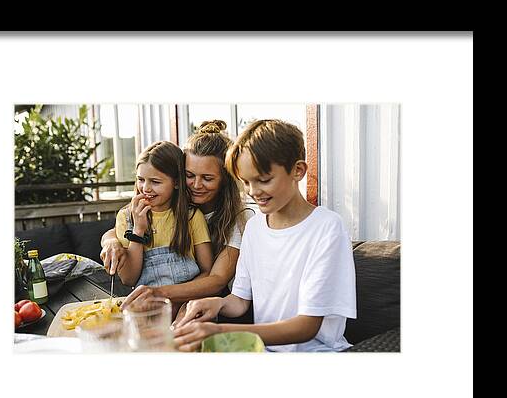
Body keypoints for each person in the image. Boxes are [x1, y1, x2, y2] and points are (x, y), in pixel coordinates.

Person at [173, 119, 357, 352]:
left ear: (297, 171)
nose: (253, 191)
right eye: (246, 182)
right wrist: (216, 304)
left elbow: (306, 327)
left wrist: (218, 331)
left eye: (263, 180)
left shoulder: (327, 228)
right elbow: (239, 302)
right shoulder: (254, 228)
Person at [100, 120, 253, 310]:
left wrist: (158, 294)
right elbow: (121, 229)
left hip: (221, 304)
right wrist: (110, 242)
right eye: (189, 175)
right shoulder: (173, 205)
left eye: (207, 178)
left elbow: (216, 280)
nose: (196, 185)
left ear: (225, 180)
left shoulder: (238, 219)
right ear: (179, 177)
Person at [112, 140, 213, 318]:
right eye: (141, 180)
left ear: (175, 182)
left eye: (155, 182)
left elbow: (207, 271)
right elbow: (129, 278)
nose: (146, 188)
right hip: (147, 309)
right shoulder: (126, 217)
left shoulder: (190, 216)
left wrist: (180, 302)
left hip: (188, 304)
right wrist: (138, 231)